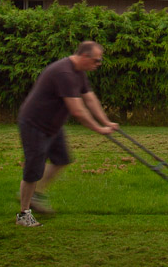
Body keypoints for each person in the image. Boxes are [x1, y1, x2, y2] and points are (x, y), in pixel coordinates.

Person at [15, 40, 118, 227]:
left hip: (53, 126)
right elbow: (78, 111)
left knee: (62, 160)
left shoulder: (79, 72)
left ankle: (35, 195)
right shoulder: (65, 73)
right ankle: (23, 214)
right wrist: (99, 129)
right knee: (32, 171)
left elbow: (90, 98)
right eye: (96, 61)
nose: (98, 65)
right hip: (34, 125)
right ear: (85, 56)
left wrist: (106, 121)